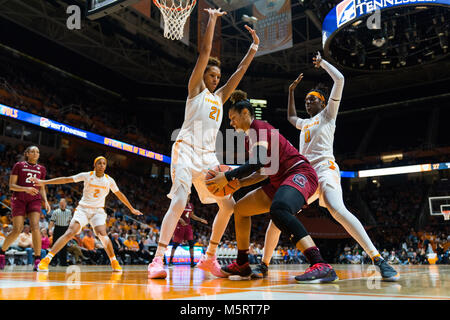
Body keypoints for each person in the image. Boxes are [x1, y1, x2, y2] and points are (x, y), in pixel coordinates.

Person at [252, 52, 399, 281]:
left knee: (336, 209)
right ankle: (263, 264)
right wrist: (291, 91)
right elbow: (291, 117)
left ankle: (378, 258)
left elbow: (339, 80)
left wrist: (322, 64)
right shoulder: (305, 123)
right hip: (305, 174)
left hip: (325, 169)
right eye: (306, 100)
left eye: (312, 98)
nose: (308, 101)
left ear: (323, 101)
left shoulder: (329, 115)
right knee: (279, 215)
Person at [147, 7, 259, 279]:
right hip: (185, 149)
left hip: (207, 156)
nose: (216, 79)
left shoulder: (219, 98)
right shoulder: (195, 90)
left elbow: (239, 73)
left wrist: (254, 48)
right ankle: (157, 260)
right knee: (180, 200)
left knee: (229, 205)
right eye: (212, 75)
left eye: (217, 77)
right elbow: (205, 52)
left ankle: (209, 257)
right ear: (202, 76)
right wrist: (211, 20)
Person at [206, 91, 338, 283]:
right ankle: (242, 263)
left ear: (245, 113)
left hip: (300, 173)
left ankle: (320, 264)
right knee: (240, 209)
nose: (231, 123)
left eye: (233, 118)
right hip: (279, 180)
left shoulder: (258, 127)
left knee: (279, 209)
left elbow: (258, 161)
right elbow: (262, 172)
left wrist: (226, 176)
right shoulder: (248, 138)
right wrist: (239, 183)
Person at [31, 156, 143, 272]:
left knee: (102, 234)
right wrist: (44, 182)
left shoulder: (109, 180)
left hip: (98, 211)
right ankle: (46, 260)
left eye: (104, 163)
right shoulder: (87, 175)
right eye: (99, 163)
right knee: (70, 232)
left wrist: (131, 208)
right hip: (83, 209)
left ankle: (114, 261)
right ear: (94, 165)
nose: (102, 165)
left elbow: (120, 195)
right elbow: (66, 179)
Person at [0, 146, 50, 271]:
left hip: (35, 199)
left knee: (35, 226)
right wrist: (26, 188)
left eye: (37, 151)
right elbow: (12, 186)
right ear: (27, 154)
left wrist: (46, 201)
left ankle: (37, 260)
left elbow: (42, 187)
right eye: (32, 151)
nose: (35, 153)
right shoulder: (19, 165)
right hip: (19, 198)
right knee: (17, 229)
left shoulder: (42, 169)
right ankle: (1, 252)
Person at [168, 195, 208, 267]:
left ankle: (192, 263)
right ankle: (170, 261)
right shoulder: (179, 204)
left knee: (191, 243)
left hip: (187, 226)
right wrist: (180, 219)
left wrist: (201, 219)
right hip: (179, 226)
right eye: (186, 197)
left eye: (189, 197)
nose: (187, 198)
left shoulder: (191, 205)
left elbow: (192, 215)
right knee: (176, 244)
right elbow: (173, 214)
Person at [48, 198, 72, 266]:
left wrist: (70, 230)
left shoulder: (69, 211)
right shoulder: (56, 211)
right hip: (57, 228)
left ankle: (63, 262)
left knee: (64, 246)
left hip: (65, 229)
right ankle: (53, 261)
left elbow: (70, 221)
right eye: (61, 204)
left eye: (63, 203)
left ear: (66, 204)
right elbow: (52, 221)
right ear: (59, 204)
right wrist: (50, 229)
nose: (62, 205)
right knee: (55, 245)